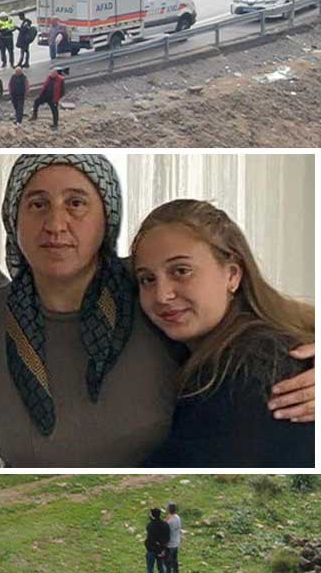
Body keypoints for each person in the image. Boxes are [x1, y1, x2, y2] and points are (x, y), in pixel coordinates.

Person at [0, 154, 315, 468]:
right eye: (37, 204)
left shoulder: (248, 365)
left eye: (76, 203)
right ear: (12, 218)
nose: (55, 225)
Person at [133, 200, 315, 468]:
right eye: (147, 279)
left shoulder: (247, 368)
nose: (162, 295)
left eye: (181, 271)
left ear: (231, 275)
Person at [145, 508, 171, 573]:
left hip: (151, 550)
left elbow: (151, 540)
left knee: (150, 570)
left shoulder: (150, 526)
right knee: (162, 569)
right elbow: (167, 538)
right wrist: (162, 550)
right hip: (161, 551)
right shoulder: (165, 525)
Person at [165, 503, 182, 573]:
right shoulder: (177, 518)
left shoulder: (169, 522)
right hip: (176, 543)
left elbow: (165, 530)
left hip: (170, 544)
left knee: (168, 563)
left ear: (168, 510)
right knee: (175, 562)